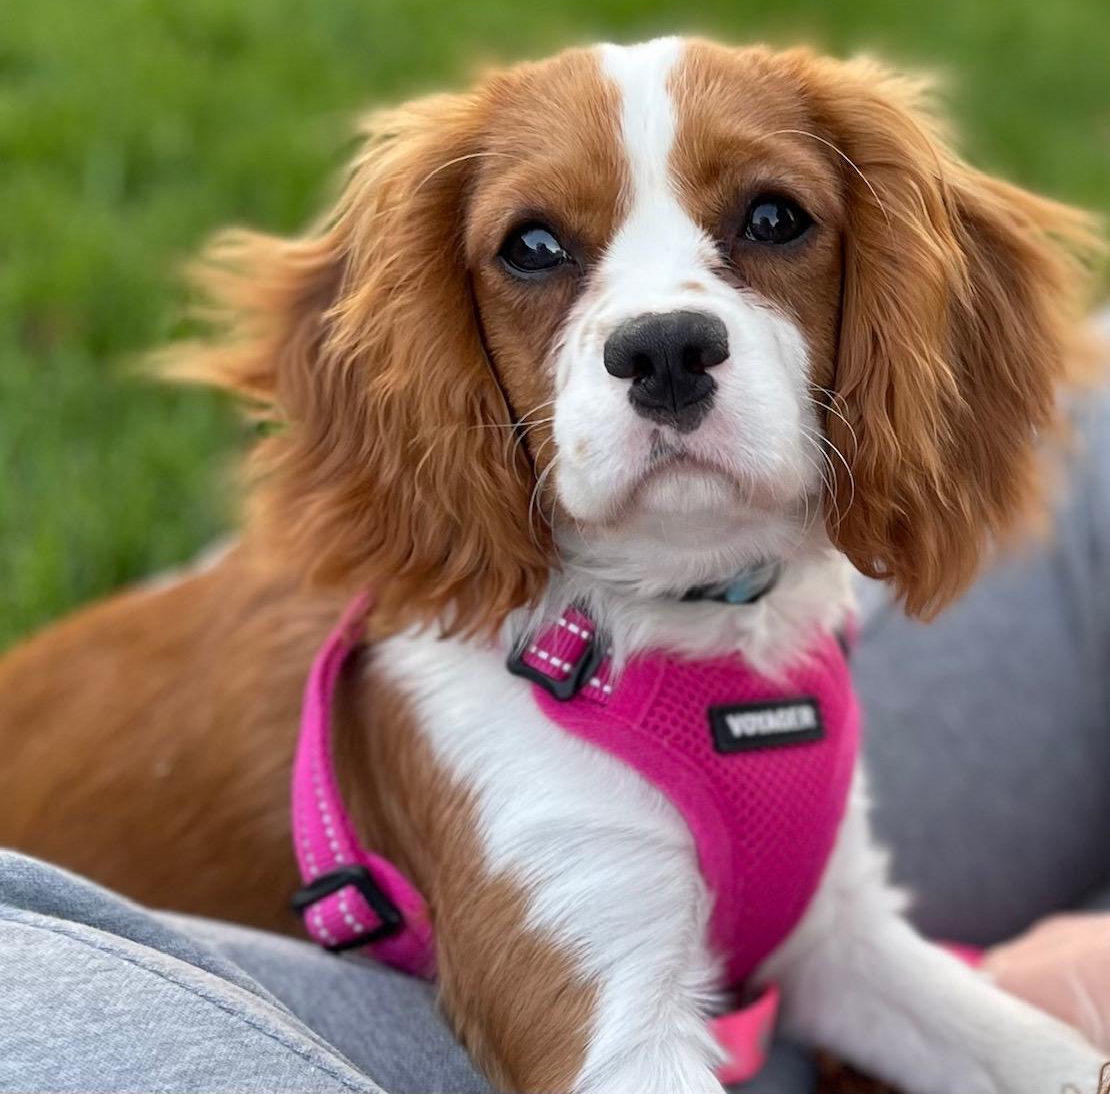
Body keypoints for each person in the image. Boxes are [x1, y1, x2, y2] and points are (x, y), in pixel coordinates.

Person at [2, 370, 1108, 1094]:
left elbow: (840, 952)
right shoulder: (478, 708)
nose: (665, 323)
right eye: (536, 249)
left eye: (772, 222)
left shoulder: (793, 649)